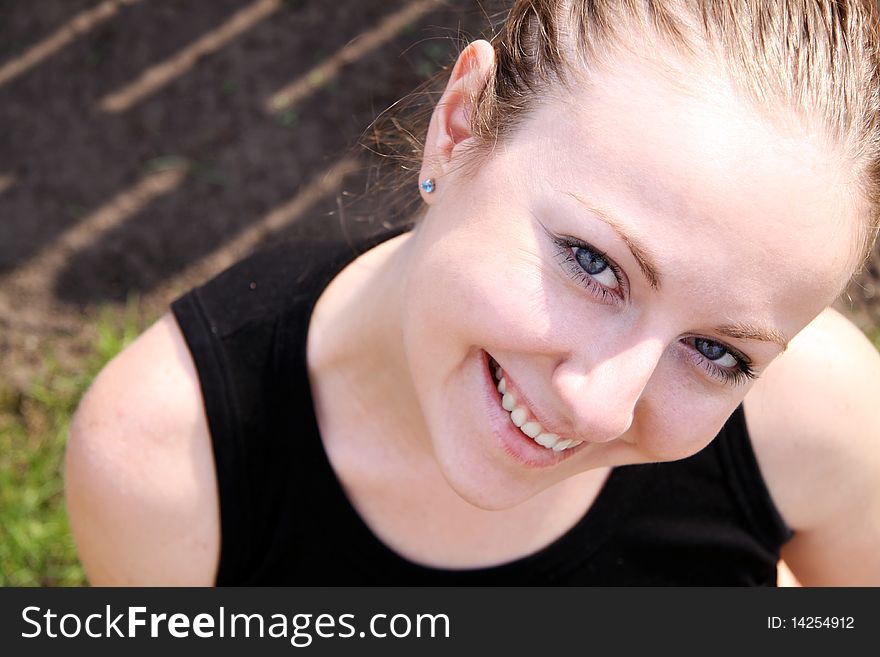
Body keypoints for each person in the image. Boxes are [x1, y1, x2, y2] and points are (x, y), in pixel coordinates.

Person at [65, 0, 880, 585]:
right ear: (458, 125)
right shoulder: (167, 464)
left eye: (718, 352)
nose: (601, 408)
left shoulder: (823, 424)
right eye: (594, 265)